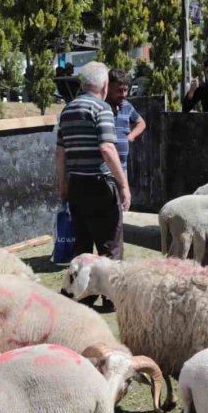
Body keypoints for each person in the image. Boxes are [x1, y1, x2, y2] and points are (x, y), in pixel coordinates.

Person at [56, 61, 130, 310]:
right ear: (105, 84)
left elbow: (60, 154)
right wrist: (124, 184)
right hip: (100, 185)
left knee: (83, 245)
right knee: (110, 246)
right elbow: (107, 148)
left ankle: (84, 296)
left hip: (76, 184)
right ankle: (111, 300)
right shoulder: (102, 109)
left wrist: (63, 186)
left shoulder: (66, 111)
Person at [105, 69, 147, 176]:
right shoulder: (101, 107)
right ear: (108, 87)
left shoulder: (126, 106)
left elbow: (141, 123)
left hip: (122, 169)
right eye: (119, 91)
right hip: (104, 171)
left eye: (125, 90)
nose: (123, 95)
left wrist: (130, 137)